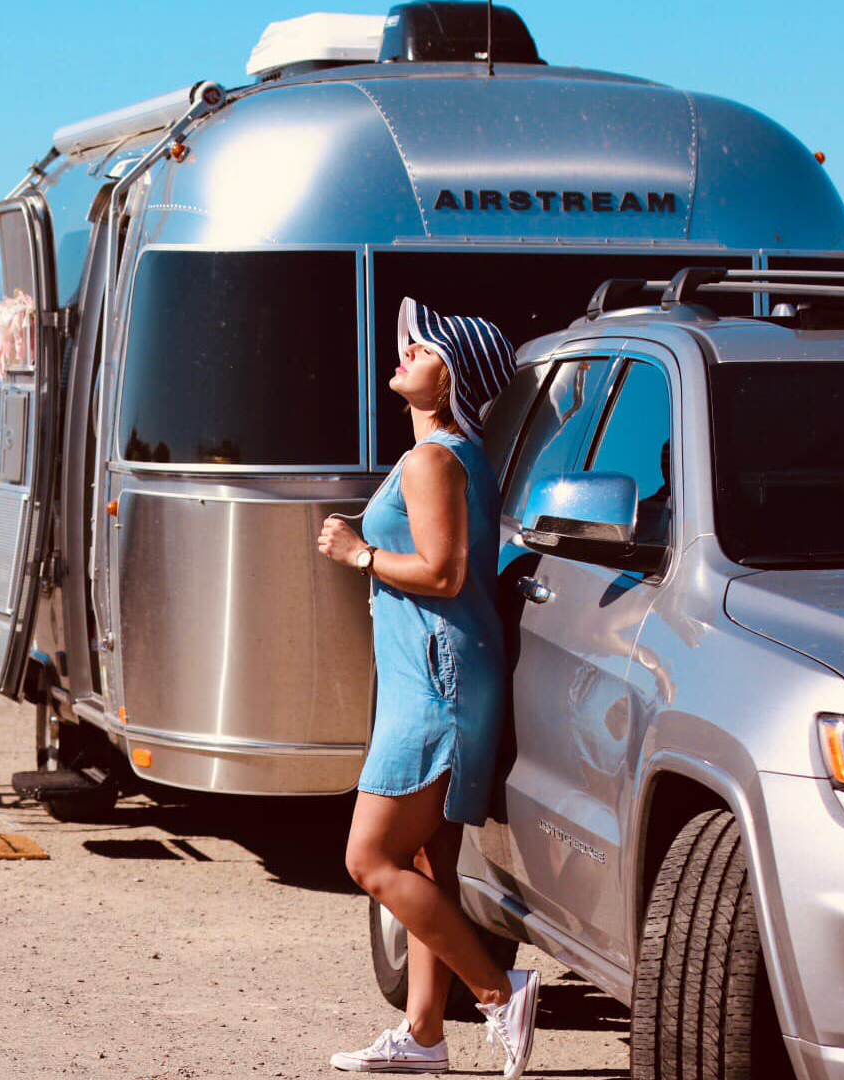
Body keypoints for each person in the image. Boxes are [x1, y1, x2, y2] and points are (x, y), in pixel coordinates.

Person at [315, 298, 538, 1077]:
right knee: (428, 865)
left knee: (370, 859)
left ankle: (498, 989)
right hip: (441, 672)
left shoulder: (433, 460)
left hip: (436, 684)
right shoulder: (450, 455)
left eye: (427, 348)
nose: (408, 349)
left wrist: (358, 554)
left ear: (455, 379)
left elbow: (443, 573)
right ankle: (423, 1036)